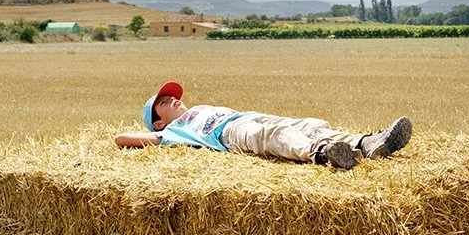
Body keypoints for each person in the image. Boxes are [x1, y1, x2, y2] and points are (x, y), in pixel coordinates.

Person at [114, 80, 412, 170]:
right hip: (229, 134)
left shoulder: (200, 108)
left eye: (173, 97)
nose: (174, 100)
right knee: (273, 135)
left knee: (310, 123)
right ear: (157, 121)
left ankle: (367, 143)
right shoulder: (171, 132)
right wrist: (156, 134)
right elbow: (120, 139)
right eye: (164, 102)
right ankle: (322, 152)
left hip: (243, 116)